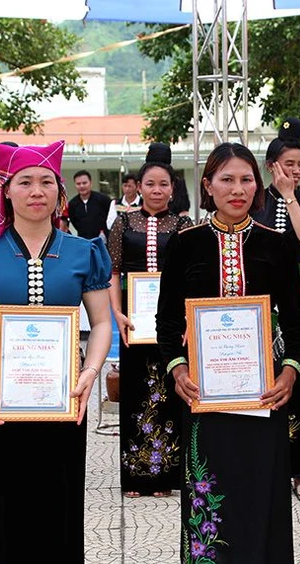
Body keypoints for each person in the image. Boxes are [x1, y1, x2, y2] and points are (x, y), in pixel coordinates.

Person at [0, 140, 112, 562]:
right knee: (5, 508)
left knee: (61, 506)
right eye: (24, 182)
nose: (35, 190)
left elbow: (100, 324)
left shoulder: (84, 251)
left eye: (45, 182)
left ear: (60, 192)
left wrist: (89, 374)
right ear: (5, 191)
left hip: (66, 400)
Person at [156, 142, 300, 563]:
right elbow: (166, 321)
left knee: (262, 485)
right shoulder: (185, 244)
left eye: (245, 179)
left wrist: (290, 371)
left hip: (264, 390)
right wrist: (178, 369)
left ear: (258, 186)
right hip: (203, 393)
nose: (236, 189)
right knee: (210, 484)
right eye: (226, 179)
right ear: (208, 185)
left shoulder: (276, 244)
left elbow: (295, 323)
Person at [107, 141, 193, 498]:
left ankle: (165, 479)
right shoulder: (124, 221)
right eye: (150, 184)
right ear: (138, 187)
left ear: (173, 188)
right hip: (134, 321)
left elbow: (192, 276)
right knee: (136, 392)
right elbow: (112, 271)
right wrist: (117, 312)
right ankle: (136, 478)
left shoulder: (185, 224)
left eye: (164, 184)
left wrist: (189, 318)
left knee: (170, 393)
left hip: (172, 320)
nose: (156, 190)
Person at [252, 116, 300, 500]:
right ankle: (266, 463)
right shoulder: (256, 198)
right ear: (270, 166)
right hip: (262, 305)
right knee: (263, 378)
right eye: (287, 163)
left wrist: (291, 196)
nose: (294, 170)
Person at [67, 169, 112, 240]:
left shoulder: (103, 199)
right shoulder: (72, 204)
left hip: (103, 240)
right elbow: (74, 222)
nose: (81, 186)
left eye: (84, 183)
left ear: (91, 183)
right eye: (78, 184)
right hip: (83, 240)